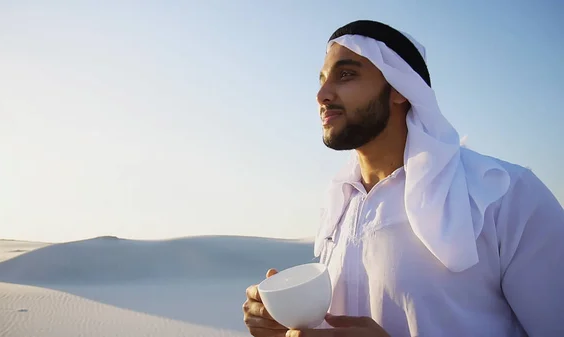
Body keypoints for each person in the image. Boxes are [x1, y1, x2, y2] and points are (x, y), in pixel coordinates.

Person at [242, 19, 564, 337]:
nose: (321, 94)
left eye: (346, 75)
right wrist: (280, 321)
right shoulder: (339, 205)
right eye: (323, 79)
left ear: (400, 89)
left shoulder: (502, 194)